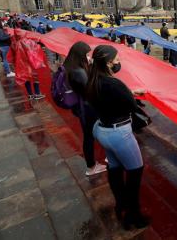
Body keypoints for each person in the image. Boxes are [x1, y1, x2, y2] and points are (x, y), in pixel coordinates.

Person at [86, 45, 149, 230]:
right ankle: (133, 215)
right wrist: (131, 94)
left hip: (102, 130)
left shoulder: (93, 79)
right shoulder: (114, 84)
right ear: (108, 62)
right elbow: (131, 105)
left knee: (115, 168)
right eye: (117, 60)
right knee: (135, 171)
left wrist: (128, 91)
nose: (119, 62)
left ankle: (120, 204)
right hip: (119, 133)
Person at [64, 42, 107, 176]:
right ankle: (91, 166)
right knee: (90, 136)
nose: (89, 56)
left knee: (91, 135)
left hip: (81, 107)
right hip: (87, 109)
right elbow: (90, 90)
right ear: (81, 55)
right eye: (87, 54)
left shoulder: (70, 66)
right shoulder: (78, 72)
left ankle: (97, 162)